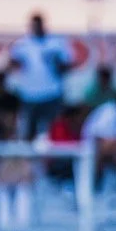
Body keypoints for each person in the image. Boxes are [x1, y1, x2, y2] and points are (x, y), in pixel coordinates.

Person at [10, 12, 73, 140]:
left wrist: (56, 63)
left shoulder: (56, 43)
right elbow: (12, 65)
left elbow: (67, 66)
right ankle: (29, 159)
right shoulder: (21, 45)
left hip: (52, 94)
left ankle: (52, 159)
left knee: (53, 131)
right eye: (34, 25)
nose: (36, 27)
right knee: (28, 132)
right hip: (29, 95)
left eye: (39, 25)